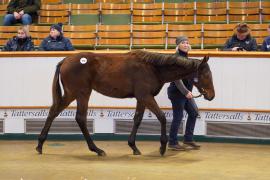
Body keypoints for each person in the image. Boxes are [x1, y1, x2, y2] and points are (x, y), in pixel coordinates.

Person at [167, 36, 201, 151]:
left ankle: (188, 139)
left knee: (193, 113)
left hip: (186, 93)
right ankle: (172, 142)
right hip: (177, 93)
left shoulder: (187, 59)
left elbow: (192, 76)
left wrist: (196, 83)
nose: (186, 44)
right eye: (183, 43)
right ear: (178, 45)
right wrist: (186, 92)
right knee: (178, 117)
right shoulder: (175, 59)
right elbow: (176, 79)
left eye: (187, 43)